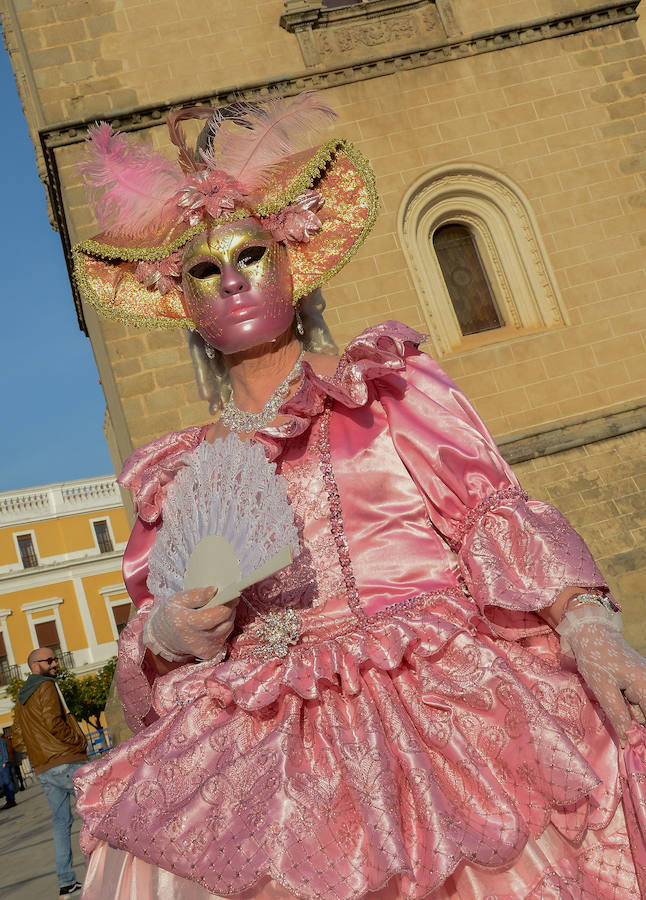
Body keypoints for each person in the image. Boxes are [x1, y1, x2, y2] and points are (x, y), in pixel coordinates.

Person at [72, 94, 646, 899]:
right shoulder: (178, 474)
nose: (232, 280)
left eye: (252, 254)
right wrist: (170, 629)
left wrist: (587, 625)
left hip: (438, 707)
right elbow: (159, 647)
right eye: (206, 269)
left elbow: (490, 514)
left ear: (294, 263)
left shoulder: (381, 393)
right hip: (264, 734)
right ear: (183, 304)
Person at [12, 648, 87, 898]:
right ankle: (107, 871)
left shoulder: (21, 699)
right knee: (98, 812)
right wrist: (77, 742)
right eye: (50, 660)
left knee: (61, 824)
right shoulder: (46, 686)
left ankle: (67, 882)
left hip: (44, 768)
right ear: (35, 665)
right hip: (65, 760)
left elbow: (18, 739)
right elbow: (54, 722)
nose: (55, 663)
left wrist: (38, 755)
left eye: (55, 658)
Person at [3, 727, 26, 792]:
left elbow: (14, 751)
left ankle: (19, 786)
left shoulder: (8, 742)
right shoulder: (9, 741)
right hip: (14, 760)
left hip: (12, 760)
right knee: (16, 773)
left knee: (14, 774)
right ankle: (19, 786)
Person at [0, 731, 16, 809]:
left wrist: (4, 761)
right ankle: (8, 800)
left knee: (7, 782)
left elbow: (3, 751)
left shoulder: (1, 740)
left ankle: (11, 800)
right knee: (2, 784)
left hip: (3, 764)